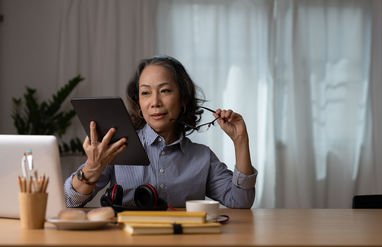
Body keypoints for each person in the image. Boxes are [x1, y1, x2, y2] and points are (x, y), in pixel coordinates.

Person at [64, 56, 257, 209]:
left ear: (183, 99)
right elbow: (70, 200)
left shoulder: (202, 157)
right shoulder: (117, 147)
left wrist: (240, 140)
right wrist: (91, 168)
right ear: (138, 102)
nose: (155, 102)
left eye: (164, 91)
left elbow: (240, 201)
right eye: (146, 93)